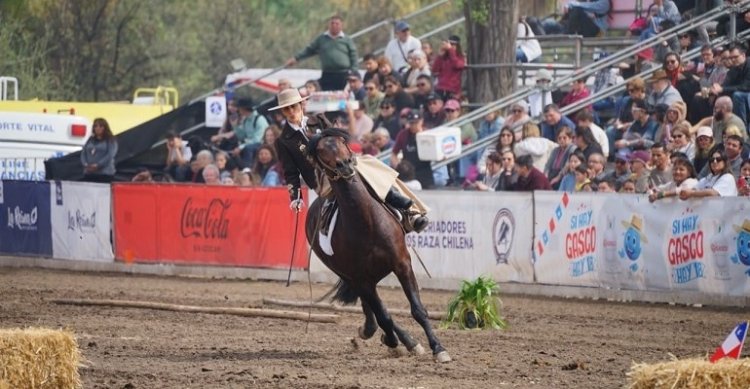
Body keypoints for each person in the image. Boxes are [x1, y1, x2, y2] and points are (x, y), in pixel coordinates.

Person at [271, 88, 428, 233]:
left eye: (294, 106)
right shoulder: (283, 140)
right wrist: (295, 198)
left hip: (343, 162)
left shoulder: (318, 119)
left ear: (301, 104)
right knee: (359, 171)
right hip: (321, 178)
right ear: (282, 112)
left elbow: (340, 140)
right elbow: (290, 172)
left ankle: (409, 211)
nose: (291, 111)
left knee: (371, 163)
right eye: (287, 108)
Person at [285, 15, 358, 91]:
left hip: (343, 74)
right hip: (327, 73)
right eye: (332, 23)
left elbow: (353, 55)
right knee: (326, 94)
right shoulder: (322, 38)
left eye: (337, 24)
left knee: (342, 95)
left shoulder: (347, 39)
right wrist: (296, 58)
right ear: (329, 25)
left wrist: (354, 71)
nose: (334, 25)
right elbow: (309, 50)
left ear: (341, 25)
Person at [391, 111, 434, 190]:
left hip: (425, 171)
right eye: (411, 123)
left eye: (416, 123)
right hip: (408, 173)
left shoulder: (428, 134)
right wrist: (398, 167)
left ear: (421, 121)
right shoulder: (403, 134)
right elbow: (394, 153)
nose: (413, 126)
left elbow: (435, 152)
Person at [81, 117, 118, 183]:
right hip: (89, 173)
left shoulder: (110, 140)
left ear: (105, 128)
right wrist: (85, 164)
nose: (98, 128)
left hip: (105, 174)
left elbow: (110, 155)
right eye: (96, 126)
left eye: (100, 126)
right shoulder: (90, 139)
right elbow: (83, 153)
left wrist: (98, 165)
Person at [432, 35, 465, 101]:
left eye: (453, 45)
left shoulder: (460, 57)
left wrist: (451, 51)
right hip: (440, 88)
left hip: (452, 90)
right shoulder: (443, 58)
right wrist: (439, 56)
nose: (451, 47)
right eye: (450, 44)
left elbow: (457, 65)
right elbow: (434, 70)